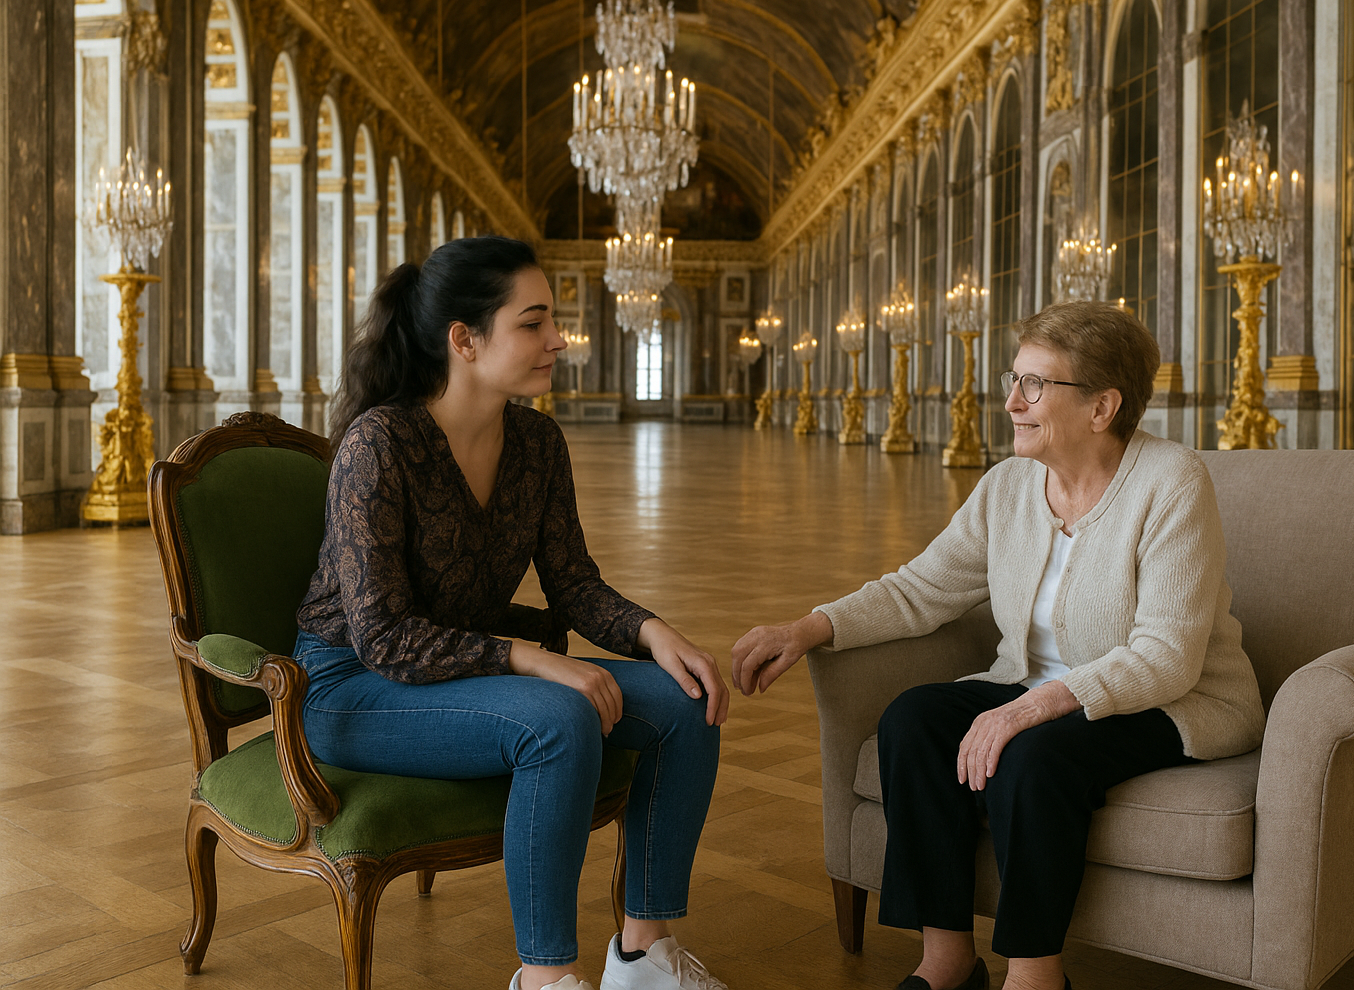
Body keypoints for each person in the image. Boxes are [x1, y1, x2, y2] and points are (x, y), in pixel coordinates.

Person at [731, 302, 1265, 990]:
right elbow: (921, 589)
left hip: (1170, 701)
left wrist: (1030, 708)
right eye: (1015, 380)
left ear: (1102, 406)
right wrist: (808, 628)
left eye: (1036, 385)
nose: (1012, 401)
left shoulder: (1171, 482)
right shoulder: (1008, 487)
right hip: (1033, 682)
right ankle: (947, 959)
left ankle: (1037, 975)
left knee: (1035, 756)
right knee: (912, 720)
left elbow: (1167, 656)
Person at [294, 236, 730, 990]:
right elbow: (381, 635)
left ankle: (641, 955)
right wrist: (530, 659)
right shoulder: (379, 445)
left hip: (455, 669)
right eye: (533, 323)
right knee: (556, 720)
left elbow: (574, 583)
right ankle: (545, 977)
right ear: (464, 339)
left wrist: (656, 633)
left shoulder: (536, 441)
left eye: (552, 321)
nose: (558, 339)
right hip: (349, 686)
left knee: (686, 703)